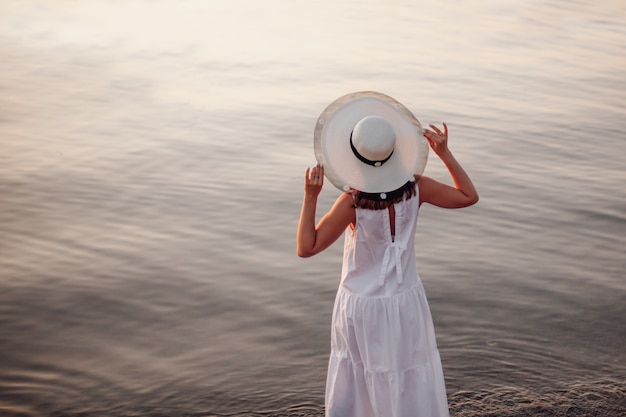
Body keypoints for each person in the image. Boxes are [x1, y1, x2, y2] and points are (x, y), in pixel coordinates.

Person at [297, 92, 478, 417]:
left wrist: (311, 196)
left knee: (360, 379)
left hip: (361, 308)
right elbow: (468, 196)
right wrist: (444, 153)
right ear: (394, 151)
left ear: (353, 155)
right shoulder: (417, 187)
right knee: (407, 376)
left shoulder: (352, 203)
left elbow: (306, 248)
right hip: (405, 302)